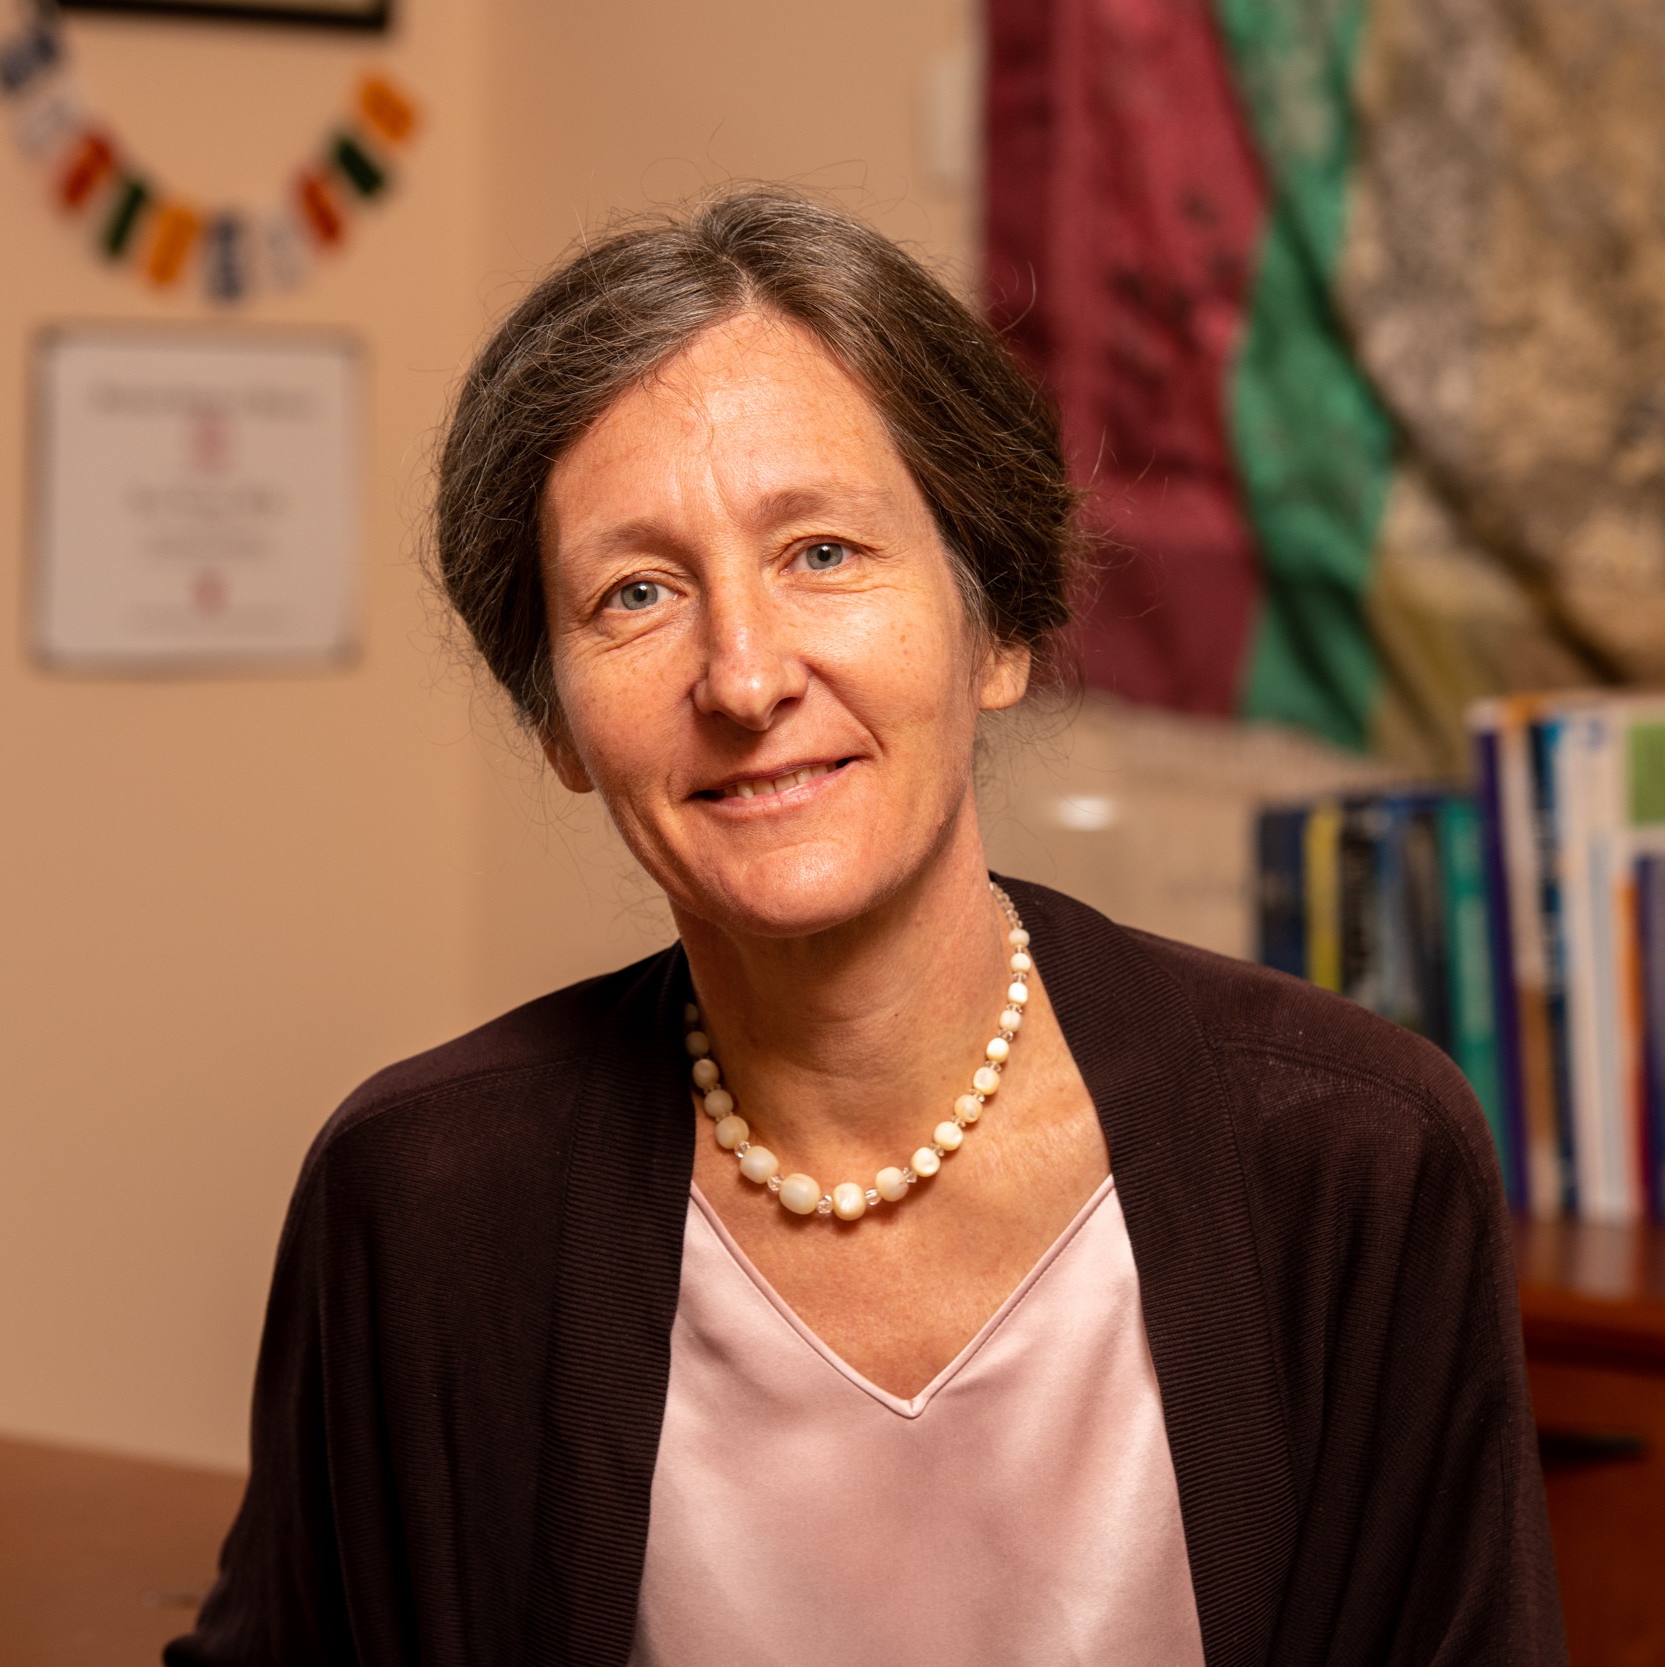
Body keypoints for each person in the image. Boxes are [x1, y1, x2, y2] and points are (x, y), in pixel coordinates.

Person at [167, 189, 1565, 1667]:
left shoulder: (1352, 1157)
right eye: (636, 593)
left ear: (999, 629)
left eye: (823, 552)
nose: (746, 675)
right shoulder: (423, 1200)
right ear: (558, 722)